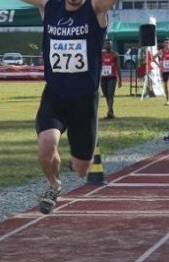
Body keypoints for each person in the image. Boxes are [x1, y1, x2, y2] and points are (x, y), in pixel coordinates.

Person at [20, 0, 115, 214]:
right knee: (46, 143)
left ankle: (79, 154)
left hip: (84, 100)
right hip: (56, 95)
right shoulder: (49, 6)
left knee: (82, 169)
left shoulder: (95, 8)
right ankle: (54, 185)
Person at [99, 39, 121, 119]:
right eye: (107, 44)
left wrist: (120, 79)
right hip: (103, 77)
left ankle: (109, 112)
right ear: (104, 45)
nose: (108, 45)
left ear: (112, 45)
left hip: (112, 77)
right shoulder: (101, 54)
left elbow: (118, 67)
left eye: (110, 44)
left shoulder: (115, 54)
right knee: (106, 95)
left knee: (110, 94)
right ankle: (111, 111)